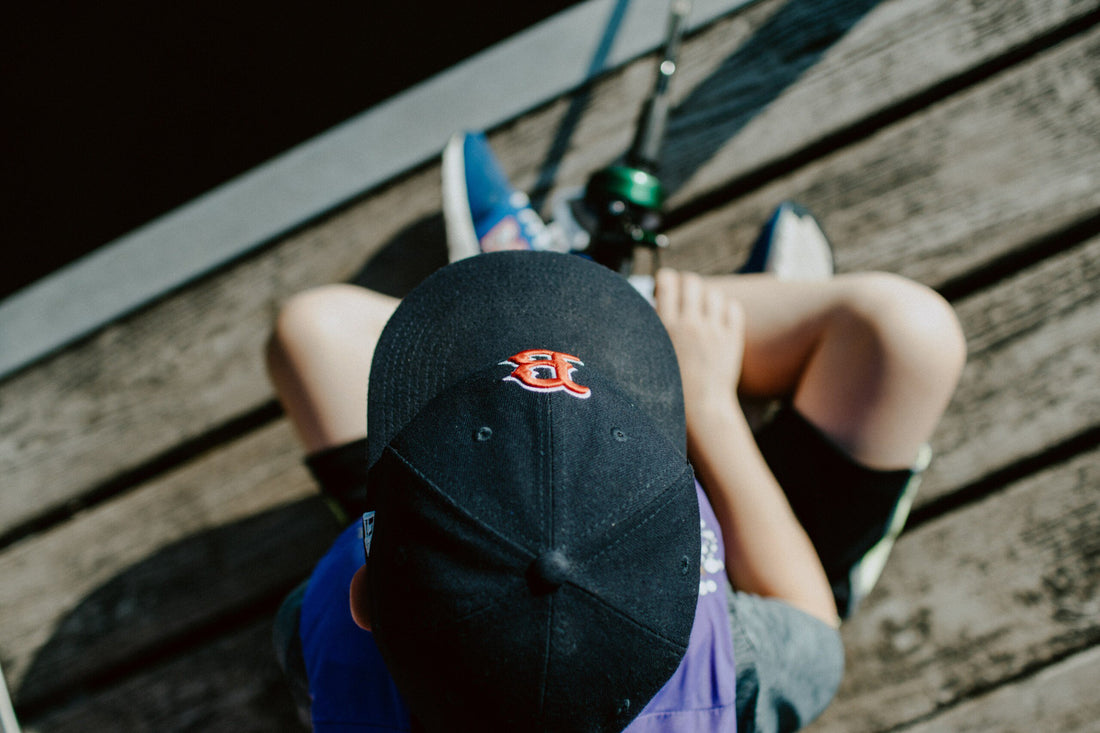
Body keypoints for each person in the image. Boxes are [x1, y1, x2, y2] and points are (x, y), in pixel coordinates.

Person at [266, 134, 966, 732]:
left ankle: (564, 290)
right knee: (910, 335)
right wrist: (709, 408)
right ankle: (616, 303)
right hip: (760, 557)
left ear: (364, 596)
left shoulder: (330, 636)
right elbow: (813, 635)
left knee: (310, 335)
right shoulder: (721, 669)